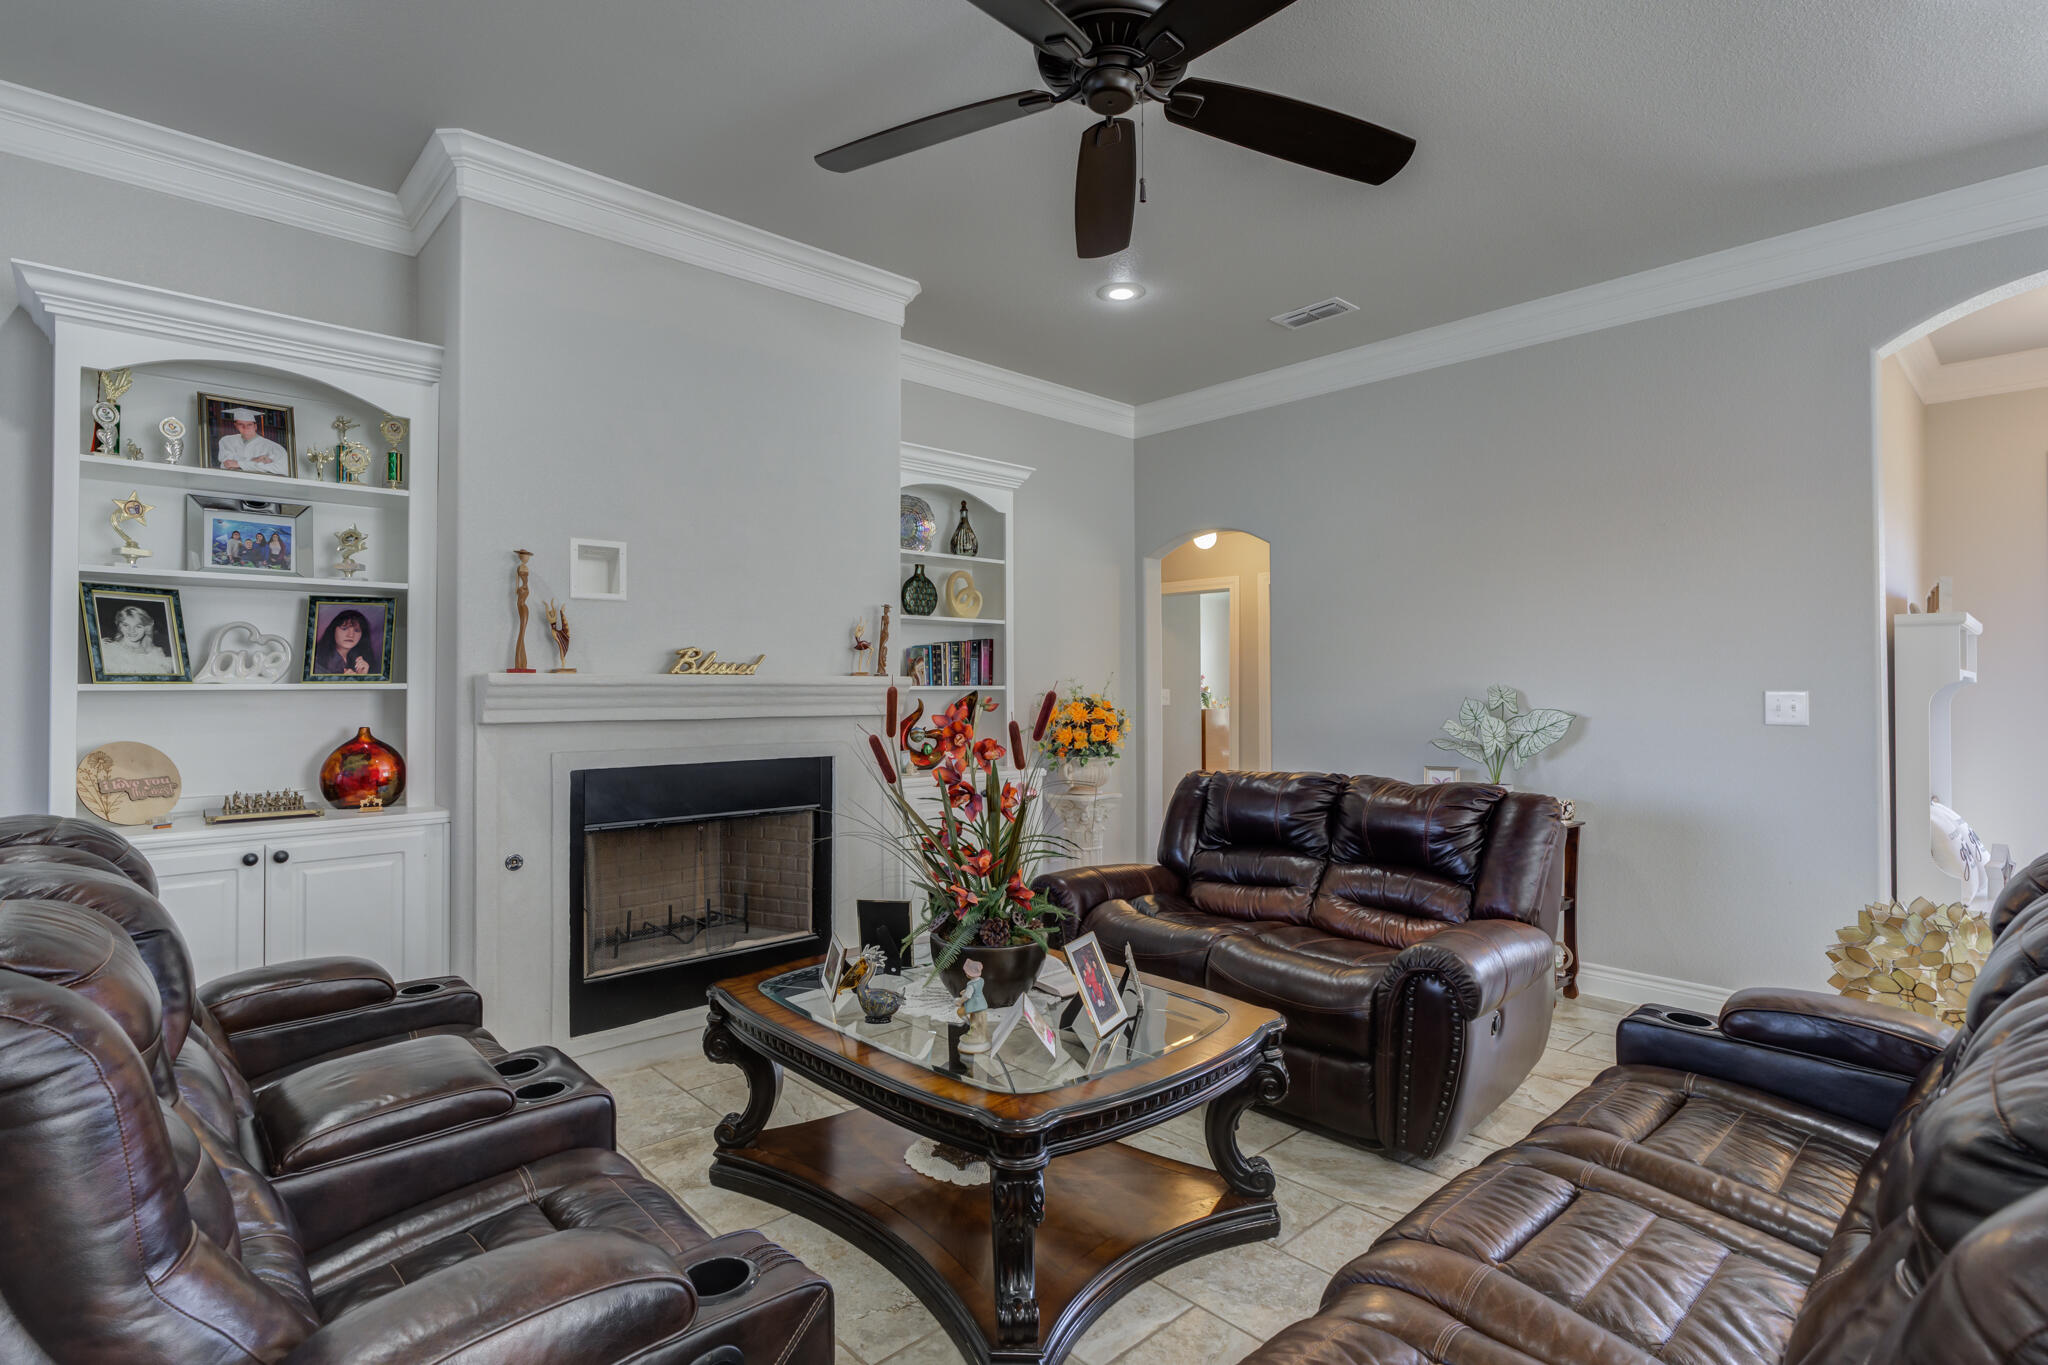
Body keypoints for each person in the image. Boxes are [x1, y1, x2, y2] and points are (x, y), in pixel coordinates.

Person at [98, 604, 176, 676]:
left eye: (138, 626)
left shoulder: (156, 654)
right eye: (126, 625)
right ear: (120, 626)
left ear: (146, 628)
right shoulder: (108, 651)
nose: (131, 631)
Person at [215, 407, 289, 475]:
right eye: (241, 424)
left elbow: (283, 469)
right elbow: (227, 465)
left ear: (255, 426)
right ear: (235, 425)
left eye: (249, 424)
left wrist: (239, 464)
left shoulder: (273, 447)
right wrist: (256, 460)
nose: (245, 427)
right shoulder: (227, 441)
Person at [312, 607, 377, 676]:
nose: (351, 635)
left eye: (357, 630)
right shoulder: (316, 660)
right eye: (344, 628)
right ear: (333, 630)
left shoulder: (364, 662)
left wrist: (362, 678)